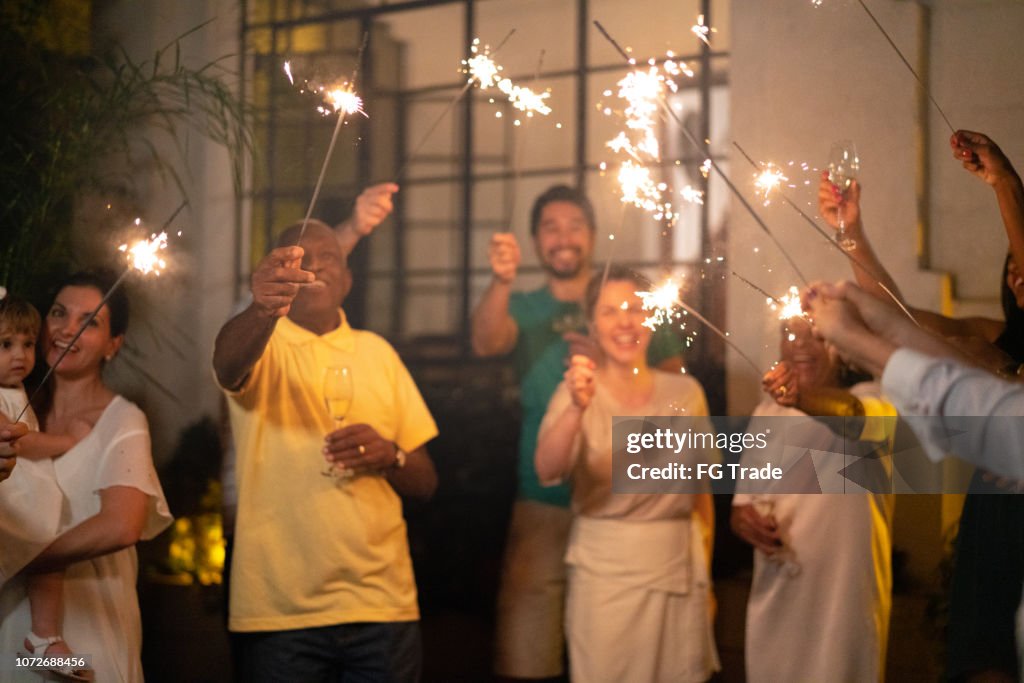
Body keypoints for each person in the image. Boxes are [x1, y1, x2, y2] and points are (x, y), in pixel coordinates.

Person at [820, 129, 1024, 682]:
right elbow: (902, 321)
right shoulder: (994, 338)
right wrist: (851, 234)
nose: (1015, 270)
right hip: (994, 517)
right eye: (1009, 261)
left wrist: (1004, 182)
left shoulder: (999, 361)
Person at [471, 185, 683, 681]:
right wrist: (500, 280)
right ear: (535, 241)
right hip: (541, 493)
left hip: (620, 498)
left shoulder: (631, 305)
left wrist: (610, 349)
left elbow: (676, 394)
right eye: (549, 227)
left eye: (573, 226)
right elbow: (485, 341)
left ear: (592, 235)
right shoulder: (522, 306)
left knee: (617, 651)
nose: (562, 238)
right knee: (527, 646)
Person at [212, 219, 438, 682]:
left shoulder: (378, 353)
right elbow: (227, 362)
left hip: (382, 605)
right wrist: (261, 307)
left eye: (327, 258)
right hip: (281, 612)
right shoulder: (261, 344)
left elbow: (426, 480)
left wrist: (389, 455)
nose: (313, 268)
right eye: (299, 260)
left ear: (348, 279)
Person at [534, 267, 719, 683]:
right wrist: (577, 409)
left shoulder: (686, 394)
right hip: (604, 575)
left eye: (636, 309)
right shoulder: (577, 391)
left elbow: (700, 495)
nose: (625, 322)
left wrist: (705, 578)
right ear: (592, 325)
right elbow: (547, 469)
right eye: (610, 311)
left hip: (676, 569)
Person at [0, 269, 173, 682]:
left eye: (89, 321)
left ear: (114, 344)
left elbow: (121, 526)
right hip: (12, 636)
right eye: (59, 313)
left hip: (88, 638)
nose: (67, 330)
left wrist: (24, 558)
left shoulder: (121, 420)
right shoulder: (20, 409)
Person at [731, 315, 894, 682]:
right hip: (778, 597)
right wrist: (745, 523)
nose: (801, 345)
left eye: (818, 337)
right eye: (790, 334)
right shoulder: (766, 414)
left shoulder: (873, 399)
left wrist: (799, 397)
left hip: (842, 602)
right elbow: (743, 506)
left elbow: (852, 419)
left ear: (845, 348)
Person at [0, 294, 100, 681]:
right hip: (15, 499)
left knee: (51, 556)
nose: (20, 355)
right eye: (5, 345)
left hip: (29, 496)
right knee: (48, 544)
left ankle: (43, 639)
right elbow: (20, 442)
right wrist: (68, 441)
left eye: (27, 343)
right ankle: (42, 639)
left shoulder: (15, 391)